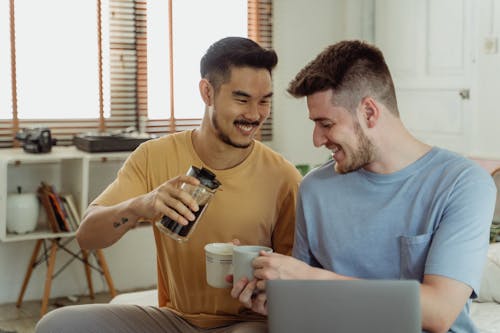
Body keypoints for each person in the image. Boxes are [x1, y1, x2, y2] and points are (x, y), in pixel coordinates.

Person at [36, 36, 301, 333]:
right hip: (175, 321)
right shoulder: (154, 156)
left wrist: (261, 277)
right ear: (207, 92)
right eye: (242, 99)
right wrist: (141, 205)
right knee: (58, 325)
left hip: (248, 323)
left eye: (264, 101)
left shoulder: (283, 177)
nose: (255, 115)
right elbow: (87, 237)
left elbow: (298, 283)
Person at [231, 40, 496, 333]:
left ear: (369, 112)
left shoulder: (463, 184)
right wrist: (278, 302)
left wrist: (309, 279)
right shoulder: (315, 189)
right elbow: (305, 300)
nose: (317, 140)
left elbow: (439, 313)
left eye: (326, 124)